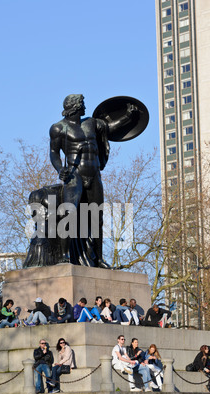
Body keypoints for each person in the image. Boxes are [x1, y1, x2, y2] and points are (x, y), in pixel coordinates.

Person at [49, 94, 137, 268]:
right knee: (69, 212)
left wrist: (128, 115)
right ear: (74, 107)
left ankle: (98, 258)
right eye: (82, 104)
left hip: (94, 174)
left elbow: (111, 128)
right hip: (75, 174)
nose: (85, 107)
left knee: (97, 217)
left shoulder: (91, 123)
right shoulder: (59, 128)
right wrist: (61, 169)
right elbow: (53, 153)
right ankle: (65, 256)